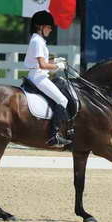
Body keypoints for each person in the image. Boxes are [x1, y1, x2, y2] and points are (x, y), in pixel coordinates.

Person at [24, 10, 72, 147]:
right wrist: (57, 66)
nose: (51, 30)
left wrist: (55, 60)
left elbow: (43, 60)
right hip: (38, 77)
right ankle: (54, 135)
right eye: (49, 27)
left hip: (37, 75)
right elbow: (42, 65)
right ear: (40, 26)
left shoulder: (37, 40)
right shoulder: (37, 41)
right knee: (63, 100)